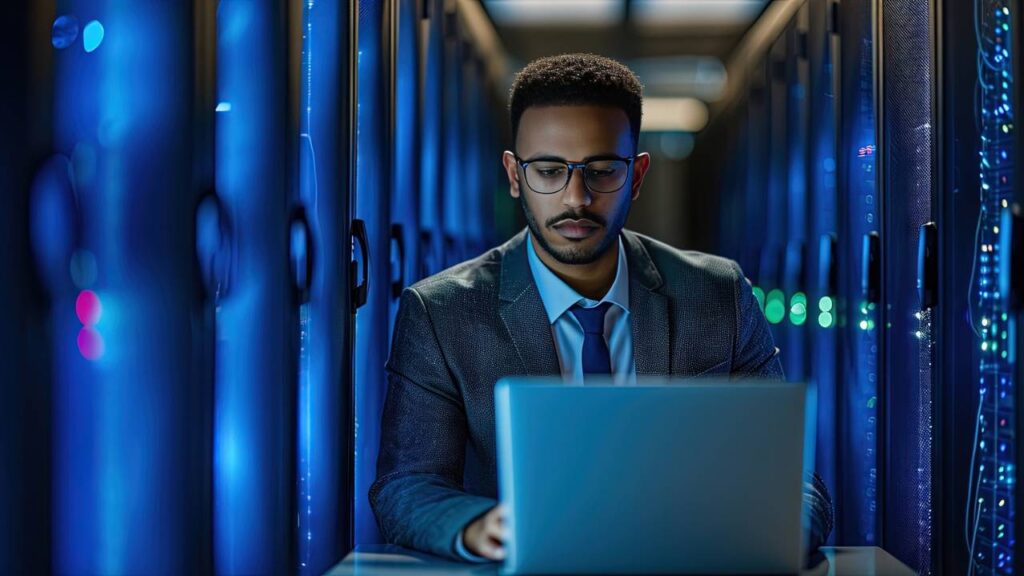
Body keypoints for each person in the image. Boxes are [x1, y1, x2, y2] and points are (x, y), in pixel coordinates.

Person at [370, 53, 832, 562]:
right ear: (514, 174)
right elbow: (406, 487)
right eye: (548, 170)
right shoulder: (442, 313)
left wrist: (766, 535)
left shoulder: (719, 296)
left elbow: (797, 483)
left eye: (601, 171)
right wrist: (482, 527)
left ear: (636, 176)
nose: (576, 198)